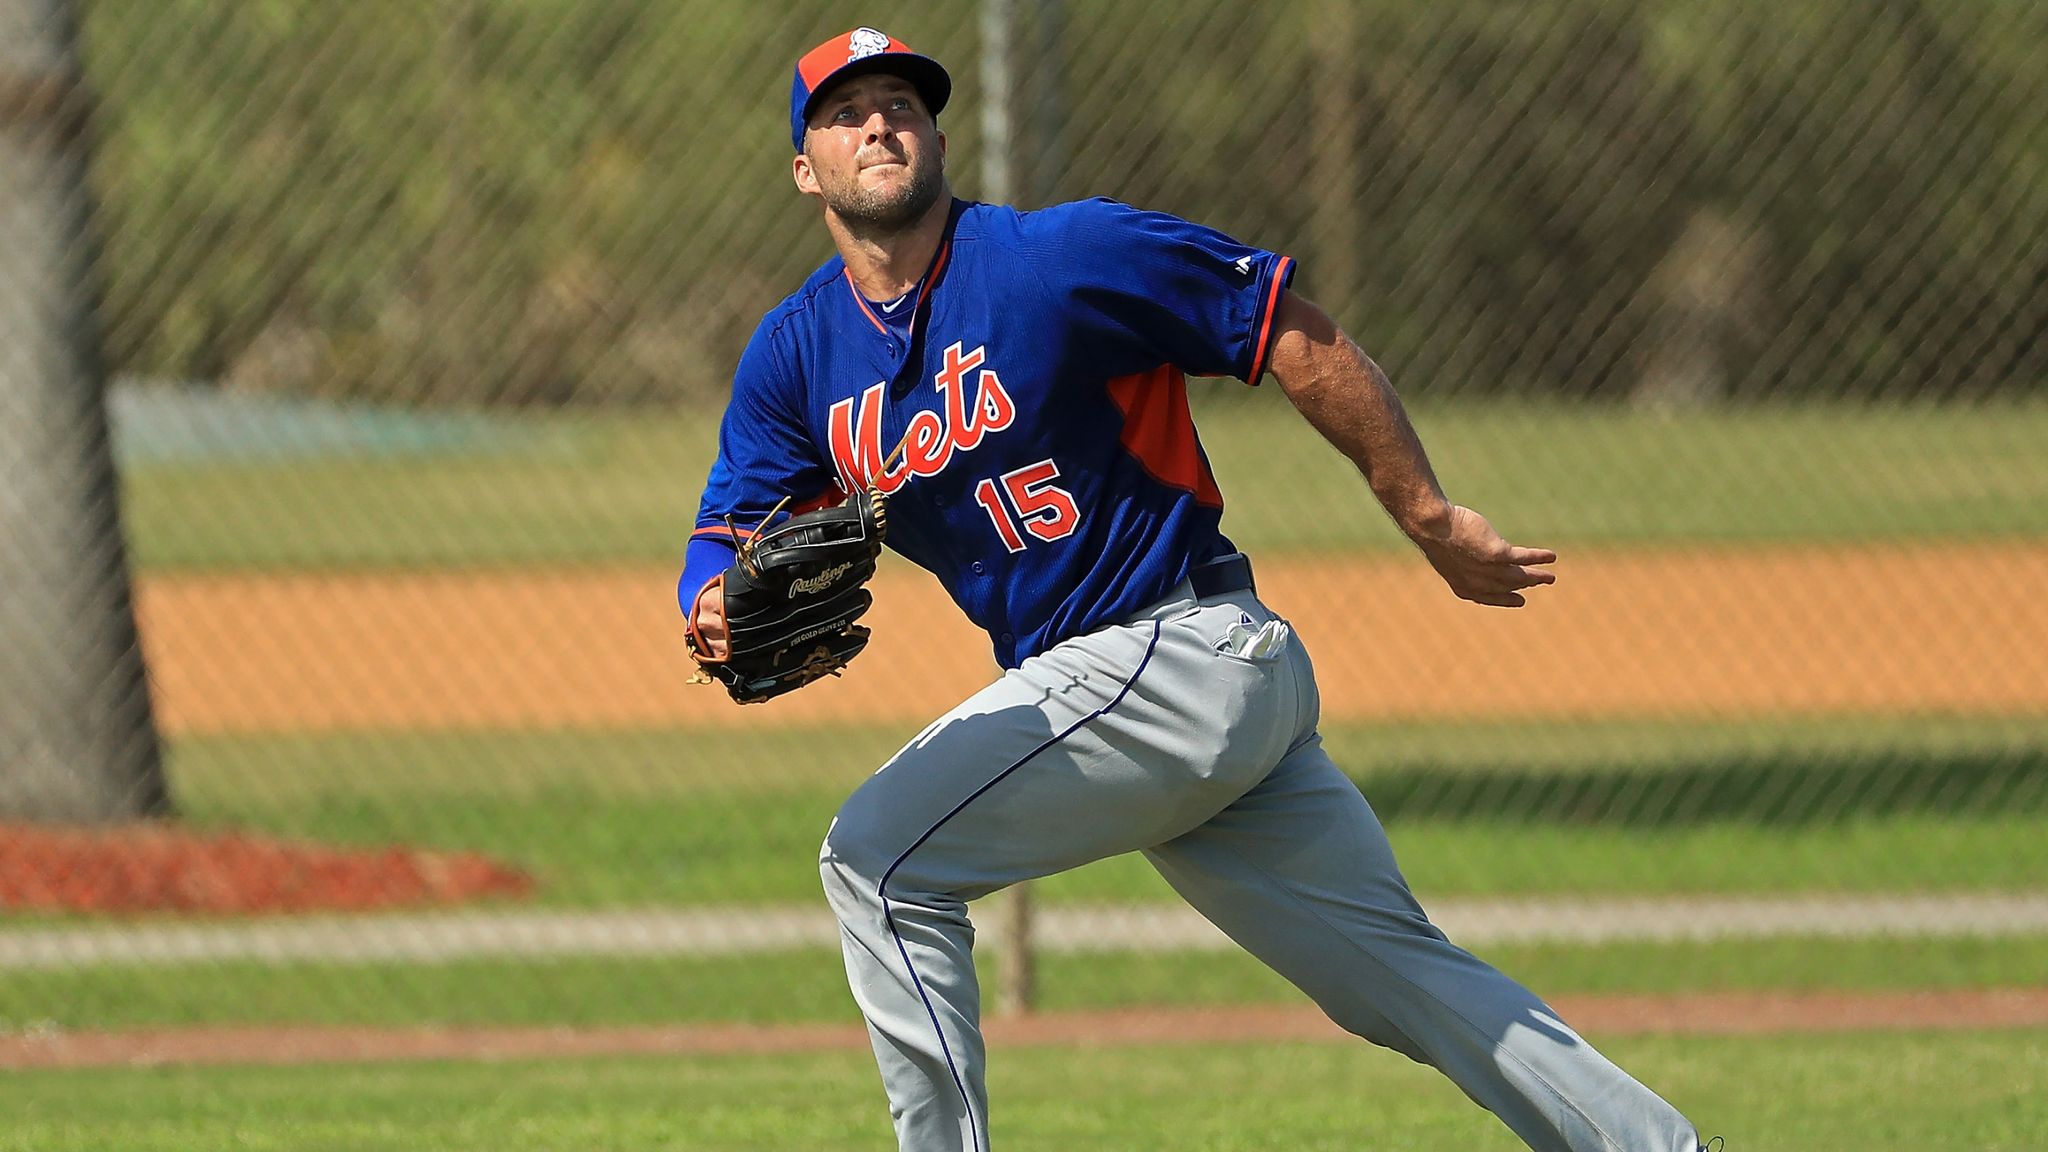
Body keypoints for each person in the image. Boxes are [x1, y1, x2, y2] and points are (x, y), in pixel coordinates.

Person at [677, 27, 1713, 1152]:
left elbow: (1285, 329)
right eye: (844, 111)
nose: (878, 122)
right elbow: (727, 524)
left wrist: (1422, 508)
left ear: (934, 134)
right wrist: (709, 599)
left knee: (874, 862)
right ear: (803, 166)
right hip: (1167, 701)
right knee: (1401, 985)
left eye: (900, 104)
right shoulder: (797, 354)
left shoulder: (1059, 256)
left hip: (1175, 650)